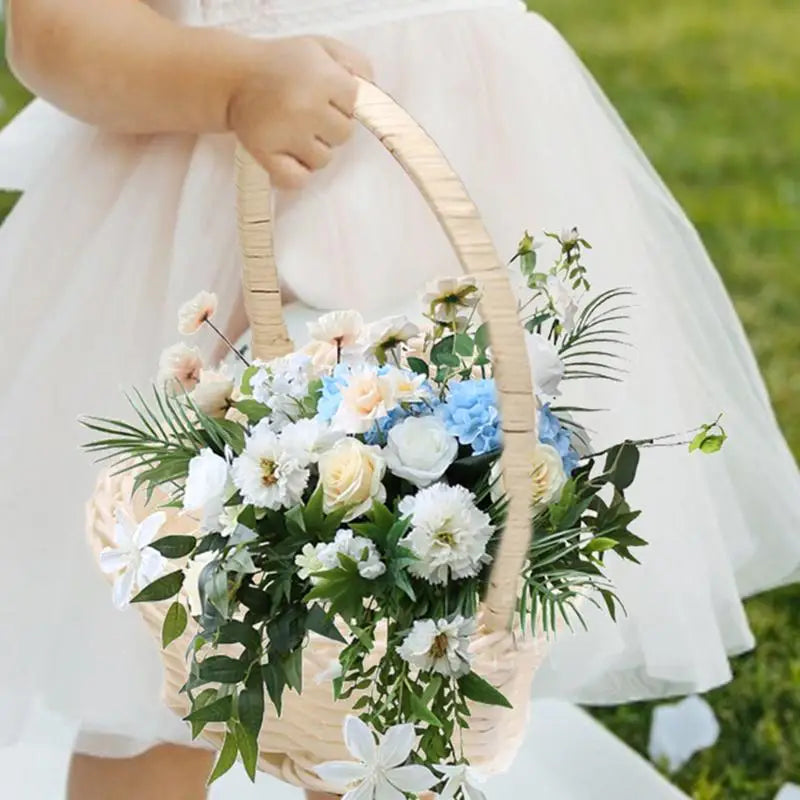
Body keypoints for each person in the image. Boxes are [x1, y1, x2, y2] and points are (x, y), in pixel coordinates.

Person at [1, 1, 798, 799]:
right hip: (197, 221)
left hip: (448, 188)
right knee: (155, 666)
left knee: (412, 651)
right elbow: (55, 27)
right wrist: (235, 82)